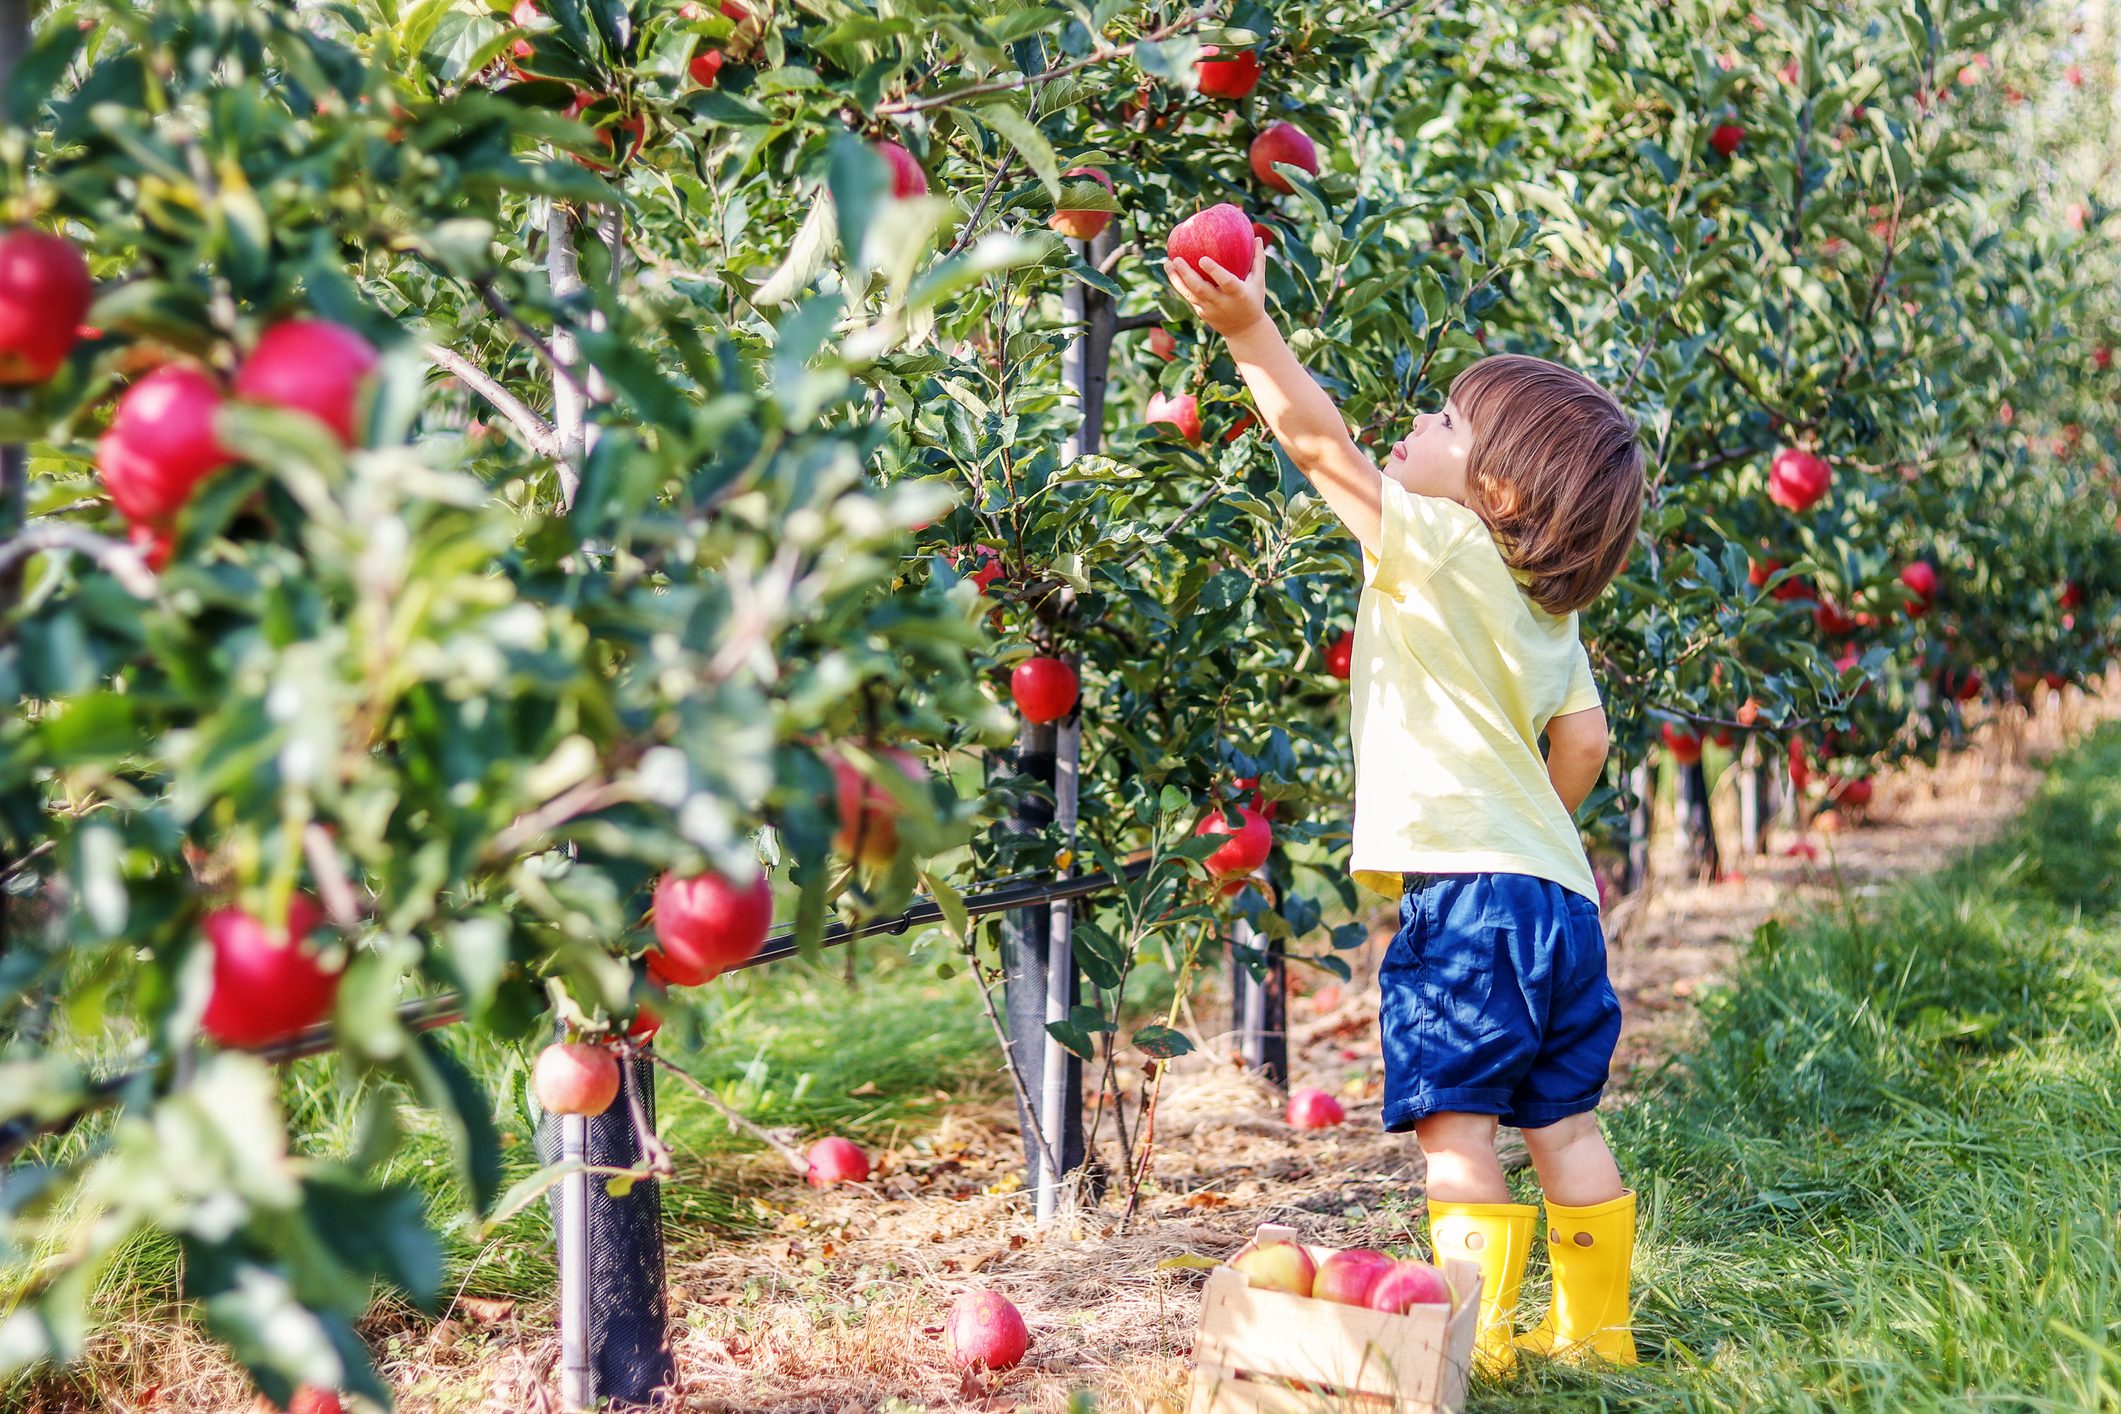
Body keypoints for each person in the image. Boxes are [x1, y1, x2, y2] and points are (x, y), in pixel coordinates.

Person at [1166, 240, 1645, 1377]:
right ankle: (1602, 1335)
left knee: (1458, 1131)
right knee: (1564, 1122)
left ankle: (1468, 1344)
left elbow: (1319, 444)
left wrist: (1246, 332)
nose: (1417, 424)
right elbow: (1584, 740)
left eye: (1443, 420)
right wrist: (1535, 824)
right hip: (1558, 899)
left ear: (1500, 493)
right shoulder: (1551, 617)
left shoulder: (1438, 545)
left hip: (1470, 899)